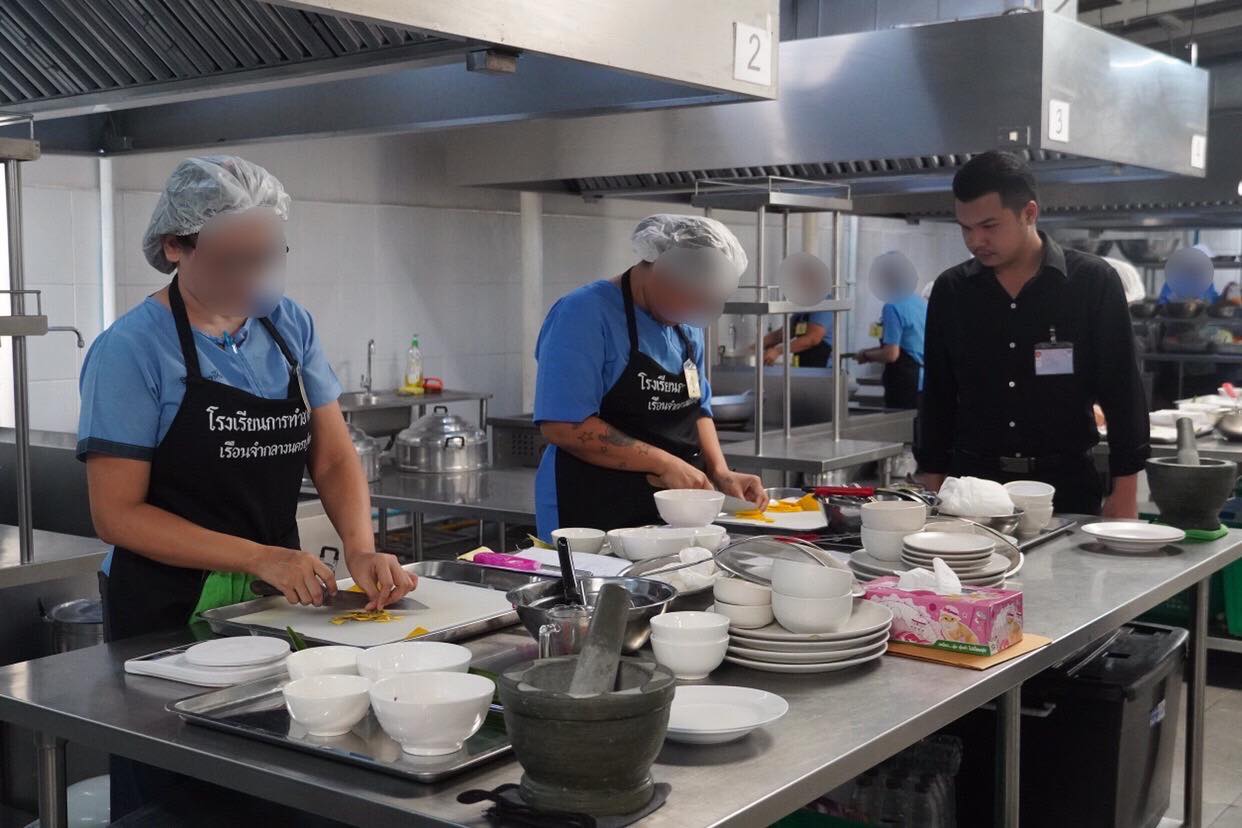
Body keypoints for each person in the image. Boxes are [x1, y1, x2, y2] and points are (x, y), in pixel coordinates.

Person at [78, 157, 414, 819]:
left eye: (268, 257)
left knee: (272, 776)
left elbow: (333, 456)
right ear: (175, 248)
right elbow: (117, 514)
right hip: (166, 607)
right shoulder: (132, 350)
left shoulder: (287, 326)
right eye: (236, 262)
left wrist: (360, 547)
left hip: (271, 602)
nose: (255, 278)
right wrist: (260, 556)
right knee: (180, 793)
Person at [916, 151, 1149, 517]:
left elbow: (1122, 391)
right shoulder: (952, 291)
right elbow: (938, 396)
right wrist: (932, 483)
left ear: (1029, 213)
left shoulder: (1091, 283)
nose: (976, 240)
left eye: (989, 226)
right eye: (965, 228)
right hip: (973, 488)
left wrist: (1125, 491)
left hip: (1065, 486)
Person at [533, 214, 769, 537]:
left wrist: (721, 471)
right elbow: (562, 426)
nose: (691, 310)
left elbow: (698, 408)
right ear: (658, 267)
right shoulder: (583, 314)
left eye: (702, 302)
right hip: (591, 512)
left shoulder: (686, 327)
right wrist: (664, 463)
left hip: (672, 517)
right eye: (687, 295)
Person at [854, 251, 927, 409]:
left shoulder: (892, 306)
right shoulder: (921, 303)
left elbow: (891, 354)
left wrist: (865, 355)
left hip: (905, 383)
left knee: (901, 423)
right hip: (925, 382)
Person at [761, 310, 833, 366]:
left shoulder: (823, 307)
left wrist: (777, 351)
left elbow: (812, 339)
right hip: (804, 365)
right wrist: (758, 345)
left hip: (822, 369)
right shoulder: (803, 311)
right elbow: (781, 334)